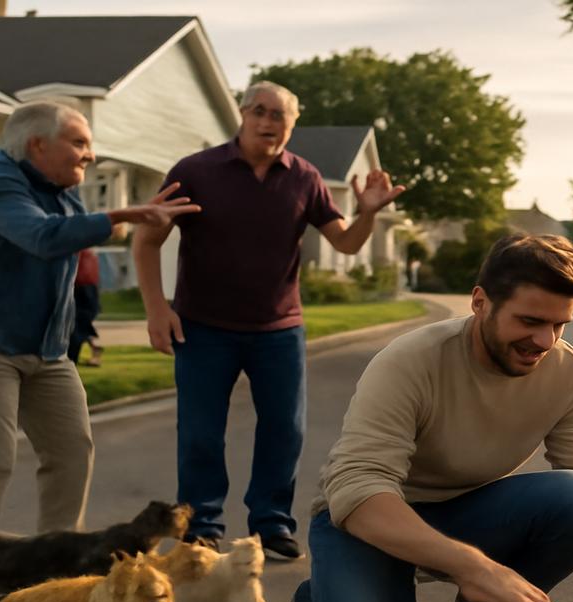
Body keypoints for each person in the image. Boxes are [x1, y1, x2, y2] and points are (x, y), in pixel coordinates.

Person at [284, 234, 573, 602]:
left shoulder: (570, 372)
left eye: (559, 325)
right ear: (480, 302)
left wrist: (498, 582)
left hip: (464, 512)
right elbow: (357, 488)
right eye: (529, 321)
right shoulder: (410, 361)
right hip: (368, 522)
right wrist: (475, 567)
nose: (544, 341)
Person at [132, 81, 404, 559]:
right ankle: (201, 524)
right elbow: (148, 238)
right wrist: (157, 309)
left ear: (292, 125)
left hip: (278, 330)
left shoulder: (305, 177)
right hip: (203, 327)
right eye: (260, 110)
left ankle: (272, 522)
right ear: (242, 113)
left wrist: (367, 215)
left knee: (285, 429)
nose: (269, 122)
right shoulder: (196, 171)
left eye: (280, 115)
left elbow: (345, 242)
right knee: (200, 431)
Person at [0, 101, 198, 531]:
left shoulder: (63, 190)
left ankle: (55, 565)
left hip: (48, 349)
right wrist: (123, 214)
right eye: (79, 143)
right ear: (37, 144)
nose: (90, 155)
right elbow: (40, 237)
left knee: (72, 451)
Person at [68, 247, 103, 366]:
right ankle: (94, 348)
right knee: (79, 326)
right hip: (86, 287)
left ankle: (73, 359)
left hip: (80, 287)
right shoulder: (88, 251)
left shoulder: (81, 250)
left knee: (77, 327)